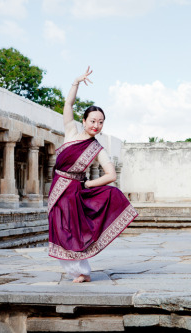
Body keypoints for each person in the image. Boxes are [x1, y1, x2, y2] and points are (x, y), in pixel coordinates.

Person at [47, 67, 138, 283]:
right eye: (93, 121)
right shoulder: (70, 132)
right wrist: (76, 82)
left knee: (71, 230)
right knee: (58, 227)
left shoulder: (97, 148)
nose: (96, 125)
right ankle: (77, 271)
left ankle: (81, 272)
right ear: (84, 120)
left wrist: (88, 185)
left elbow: (111, 175)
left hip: (74, 192)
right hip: (58, 186)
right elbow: (68, 104)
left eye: (100, 122)